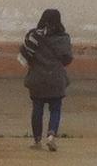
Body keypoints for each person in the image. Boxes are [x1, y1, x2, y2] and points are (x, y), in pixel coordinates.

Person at [20, 9, 74, 151]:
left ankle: (37, 141)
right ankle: (51, 136)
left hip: (37, 79)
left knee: (37, 109)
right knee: (55, 109)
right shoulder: (64, 38)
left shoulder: (33, 36)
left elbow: (25, 56)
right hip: (56, 79)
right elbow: (68, 59)